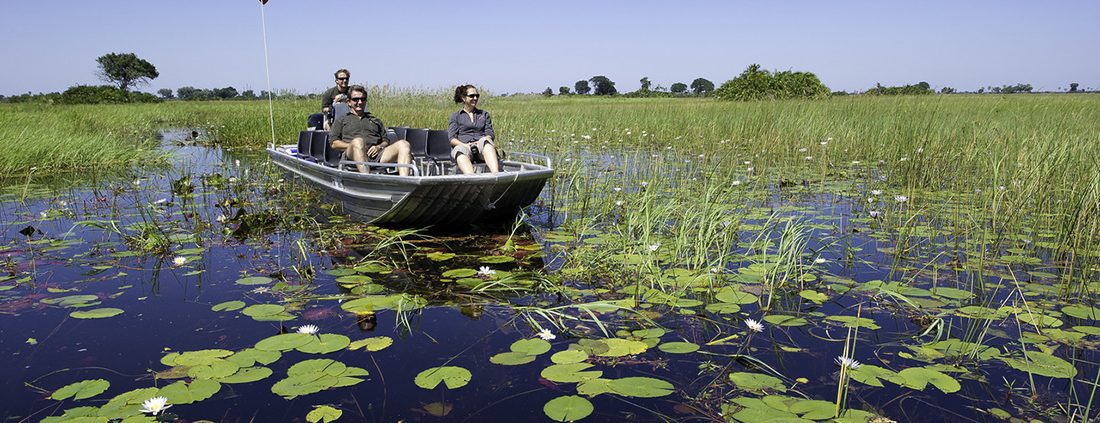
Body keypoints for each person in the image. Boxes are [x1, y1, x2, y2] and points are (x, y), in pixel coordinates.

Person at [329, 85, 412, 175]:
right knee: (358, 141)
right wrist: (357, 147)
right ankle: (367, 178)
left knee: (404, 144)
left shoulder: (375, 120)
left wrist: (379, 147)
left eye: (363, 99)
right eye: (355, 99)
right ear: (349, 102)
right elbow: (334, 143)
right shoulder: (341, 120)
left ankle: (405, 182)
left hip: (376, 155)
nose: (360, 102)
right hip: (352, 156)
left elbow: (385, 140)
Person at [448, 85, 501, 174]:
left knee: (486, 142)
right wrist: (466, 145)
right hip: (465, 146)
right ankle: (471, 178)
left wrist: (481, 140)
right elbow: (452, 139)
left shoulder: (484, 114)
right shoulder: (455, 116)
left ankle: (496, 175)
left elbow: (490, 133)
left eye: (477, 96)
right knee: (459, 151)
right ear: (464, 98)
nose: (475, 98)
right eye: (472, 96)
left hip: (481, 146)